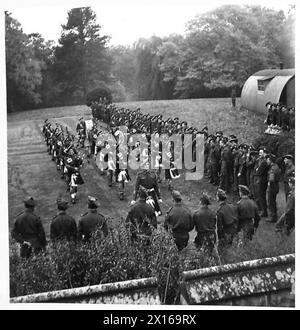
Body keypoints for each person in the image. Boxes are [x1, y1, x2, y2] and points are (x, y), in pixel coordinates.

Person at [253, 146, 269, 217]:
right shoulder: (261, 160)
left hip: (262, 180)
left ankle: (264, 211)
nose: (259, 154)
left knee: (262, 196)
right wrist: (257, 169)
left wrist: (257, 170)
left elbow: (258, 172)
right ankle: (262, 210)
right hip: (261, 179)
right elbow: (256, 169)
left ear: (264, 153)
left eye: (261, 153)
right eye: (259, 152)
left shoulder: (264, 162)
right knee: (260, 195)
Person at [266, 154, 281, 223]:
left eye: (268, 159)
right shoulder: (275, 166)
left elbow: (271, 179)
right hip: (275, 186)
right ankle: (274, 216)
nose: (267, 160)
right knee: (272, 201)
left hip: (272, 186)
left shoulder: (273, 168)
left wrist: (268, 182)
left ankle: (273, 217)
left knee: (271, 201)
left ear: (271, 160)